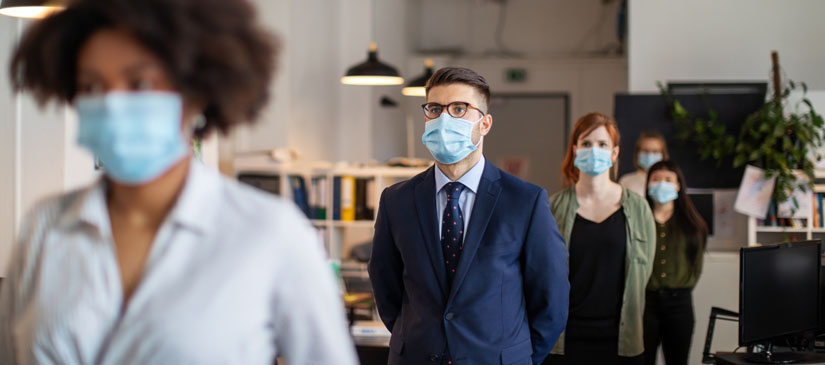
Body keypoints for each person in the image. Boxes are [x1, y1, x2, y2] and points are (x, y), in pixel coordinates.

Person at [0, 0, 357, 363]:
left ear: (196, 93)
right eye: (92, 87)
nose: (112, 104)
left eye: (139, 83)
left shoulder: (270, 234)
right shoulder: (44, 229)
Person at [368, 67, 569, 365]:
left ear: (485, 123)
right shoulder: (397, 201)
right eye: (435, 109)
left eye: (459, 108)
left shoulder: (525, 201)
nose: (444, 119)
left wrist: (518, 357)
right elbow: (386, 286)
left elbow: (551, 298)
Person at [546, 112, 657, 365]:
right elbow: (542, 272)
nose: (593, 150)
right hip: (565, 340)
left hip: (621, 341)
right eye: (586, 144)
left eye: (602, 144)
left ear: (614, 153)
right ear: (575, 150)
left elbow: (645, 270)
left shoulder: (638, 208)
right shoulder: (553, 207)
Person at [642, 160, 708, 365]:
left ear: (678, 185)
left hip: (679, 303)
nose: (662, 183)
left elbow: (695, 267)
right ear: (648, 184)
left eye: (668, 179)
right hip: (645, 303)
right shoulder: (639, 219)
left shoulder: (692, 224)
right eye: (656, 179)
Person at [619, 131, 669, 197]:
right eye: (646, 151)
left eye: (655, 151)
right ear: (637, 153)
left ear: (663, 154)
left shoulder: (670, 181)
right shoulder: (626, 181)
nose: (650, 155)